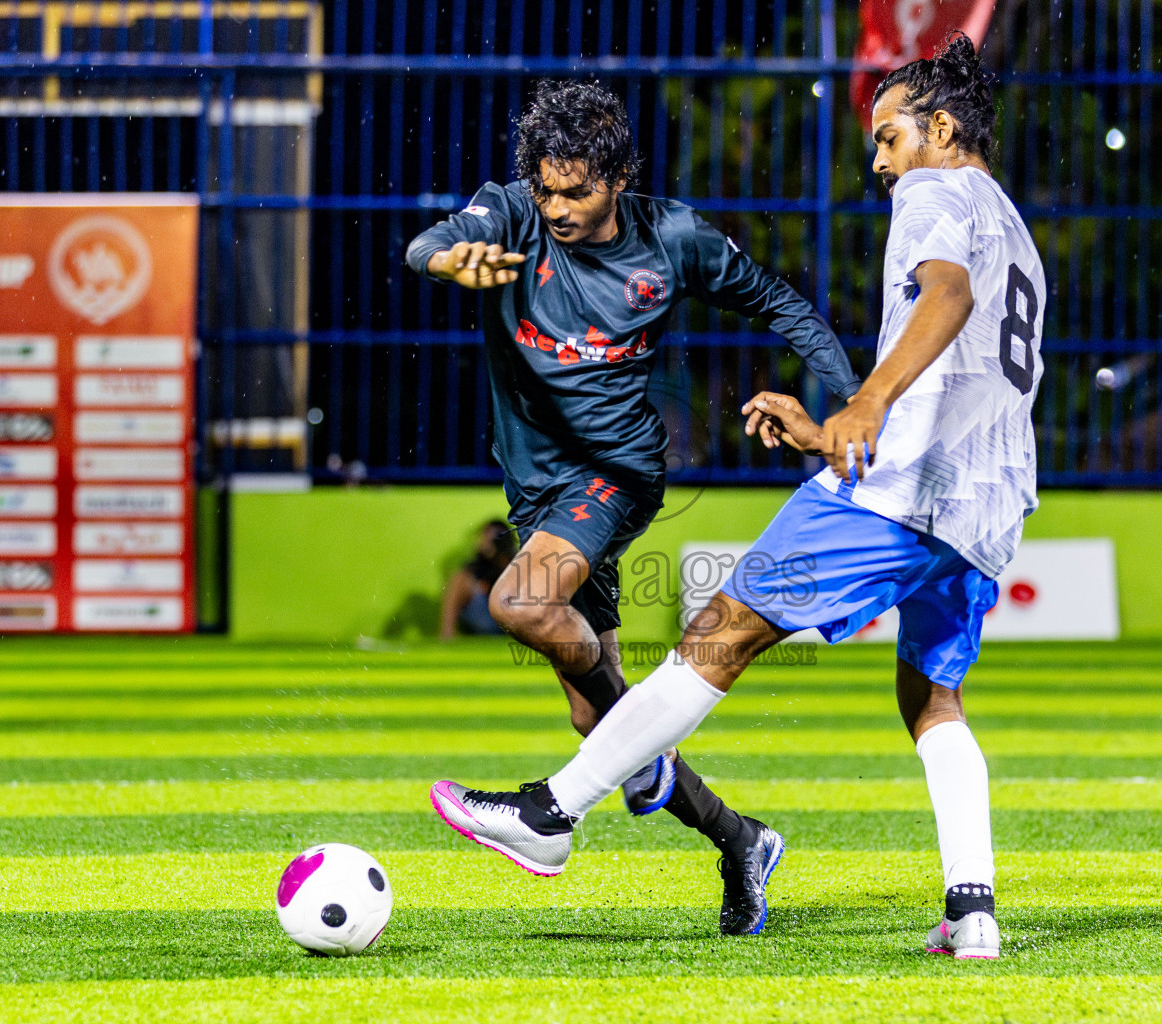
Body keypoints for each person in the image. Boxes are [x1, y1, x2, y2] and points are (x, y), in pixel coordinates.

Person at [429, 37, 1044, 959]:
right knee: (932, 697)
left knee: (717, 634)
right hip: (985, 501)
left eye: (889, 136)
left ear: (942, 129)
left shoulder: (934, 193)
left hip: (899, 486)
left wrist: (866, 403)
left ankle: (554, 812)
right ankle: (973, 909)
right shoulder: (1011, 221)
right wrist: (835, 421)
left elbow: (945, 299)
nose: (878, 161)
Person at [406, 79, 862, 936]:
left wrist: (842, 410)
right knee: (601, 719)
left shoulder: (673, 238)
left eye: (576, 189)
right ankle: (740, 840)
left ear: (618, 177)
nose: (558, 206)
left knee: (519, 602)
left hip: (614, 472)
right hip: (538, 488)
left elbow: (784, 305)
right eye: (547, 188)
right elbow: (429, 241)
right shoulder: (509, 215)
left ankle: (551, 820)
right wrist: (447, 260)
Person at [439, 520, 519, 639]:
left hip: (517, 629)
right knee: (460, 580)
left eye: (497, 539)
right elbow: (447, 630)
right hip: (481, 627)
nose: (490, 544)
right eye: (485, 539)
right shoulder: (467, 577)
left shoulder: (521, 572)